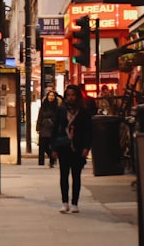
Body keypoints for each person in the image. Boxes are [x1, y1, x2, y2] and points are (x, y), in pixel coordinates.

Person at [51, 84, 93, 214]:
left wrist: (86, 147)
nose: (71, 97)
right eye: (68, 95)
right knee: (64, 175)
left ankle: (75, 203)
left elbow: (88, 131)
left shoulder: (83, 112)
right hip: (63, 147)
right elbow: (55, 129)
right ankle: (65, 203)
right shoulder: (61, 111)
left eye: (73, 95)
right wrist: (54, 148)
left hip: (78, 148)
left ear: (77, 96)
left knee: (76, 176)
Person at [36, 88, 60, 167]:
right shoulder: (43, 107)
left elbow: (58, 118)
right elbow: (39, 117)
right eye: (49, 95)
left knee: (52, 144)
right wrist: (38, 127)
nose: (51, 97)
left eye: (53, 96)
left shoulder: (57, 107)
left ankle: (52, 161)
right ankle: (52, 157)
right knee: (43, 145)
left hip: (52, 128)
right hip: (44, 127)